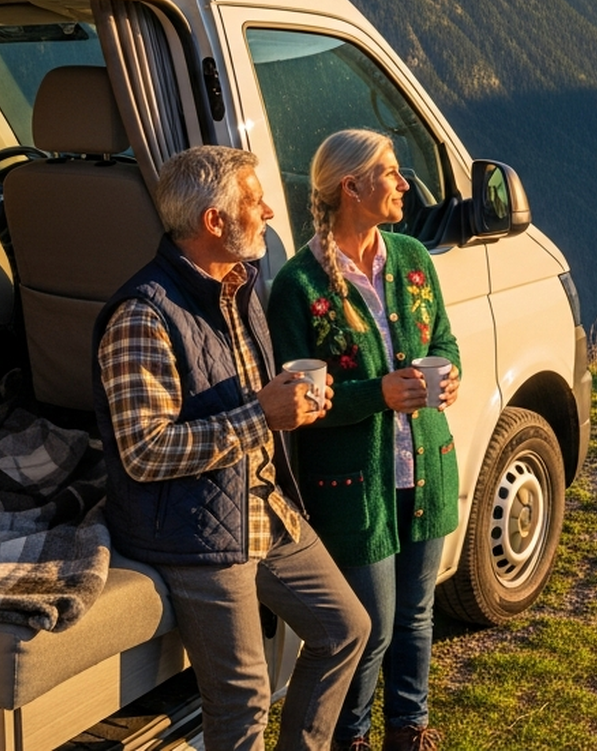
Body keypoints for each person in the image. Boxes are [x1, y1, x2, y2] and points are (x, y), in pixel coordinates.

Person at [94, 145, 372, 751]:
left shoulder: (238, 288)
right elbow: (144, 452)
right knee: (243, 698)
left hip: (261, 505)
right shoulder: (143, 315)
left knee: (346, 629)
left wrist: (291, 408)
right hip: (192, 528)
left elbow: (252, 404)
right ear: (213, 221)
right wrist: (261, 416)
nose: (269, 211)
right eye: (255, 201)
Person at [266, 129, 462, 751]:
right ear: (351, 187)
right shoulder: (299, 286)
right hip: (352, 485)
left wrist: (450, 374)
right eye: (391, 172)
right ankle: (349, 737)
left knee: (417, 614)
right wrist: (377, 394)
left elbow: (444, 340)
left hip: (425, 466)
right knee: (369, 627)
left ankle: (409, 730)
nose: (404, 183)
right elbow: (296, 405)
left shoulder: (412, 257)